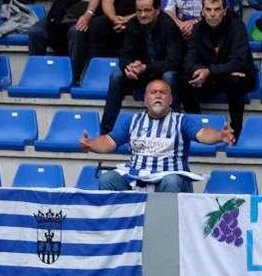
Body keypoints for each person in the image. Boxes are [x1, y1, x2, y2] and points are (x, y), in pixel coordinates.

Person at [80, 79, 234, 192]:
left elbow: (203, 135)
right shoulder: (132, 121)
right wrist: (91, 144)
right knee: (108, 179)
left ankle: (167, 232)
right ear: (145, 100)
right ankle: (116, 230)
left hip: (170, 178)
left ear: (171, 100)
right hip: (136, 178)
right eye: (153, 92)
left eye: (163, 92)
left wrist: (220, 135)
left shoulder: (181, 120)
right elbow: (108, 142)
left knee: (172, 181)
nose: (158, 95)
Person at [100, 0, 182, 134]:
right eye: (139, 11)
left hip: (160, 73)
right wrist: (129, 67)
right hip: (141, 74)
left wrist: (146, 67)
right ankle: (106, 130)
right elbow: (124, 54)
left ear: (157, 10)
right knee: (116, 76)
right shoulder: (132, 24)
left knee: (170, 76)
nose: (143, 15)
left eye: (147, 10)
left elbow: (174, 61)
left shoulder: (169, 25)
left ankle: (173, 128)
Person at [182, 0, 257, 140]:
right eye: (208, 10)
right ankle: (198, 132)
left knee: (235, 80)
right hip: (213, 76)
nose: (212, 14)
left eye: (217, 9)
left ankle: (235, 133)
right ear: (202, 11)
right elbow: (189, 59)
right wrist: (197, 71)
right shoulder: (197, 29)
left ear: (224, 10)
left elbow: (239, 61)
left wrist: (209, 71)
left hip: (239, 75)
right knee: (184, 82)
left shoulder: (237, 27)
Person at [27, 0, 110, 82]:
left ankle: (73, 77)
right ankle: (36, 74)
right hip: (62, 11)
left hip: (84, 10)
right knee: (36, 31)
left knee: (77, 31)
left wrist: (88, 14)